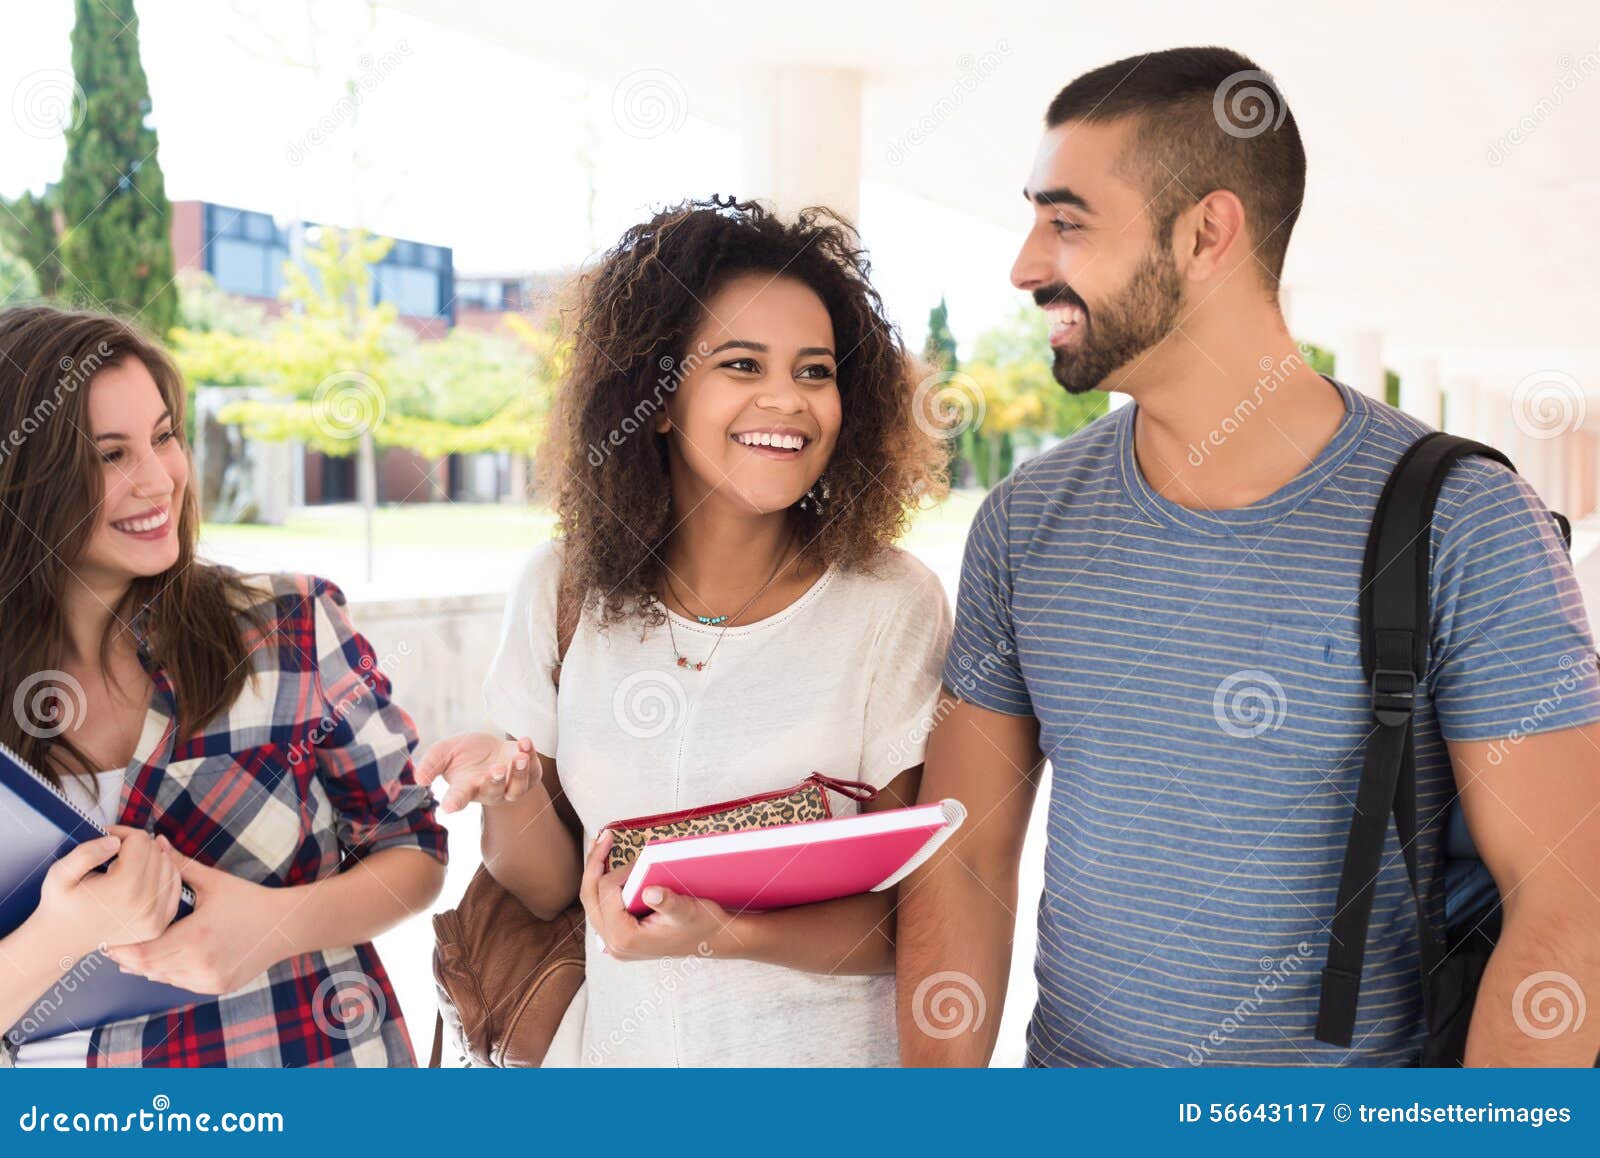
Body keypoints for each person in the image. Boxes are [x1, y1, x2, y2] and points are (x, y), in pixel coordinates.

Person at [897, 46, 1600, 1067]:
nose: (1024, 265)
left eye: (1066, 222)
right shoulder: (1025, 520)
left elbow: (1567, 906)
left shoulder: (1466, 522)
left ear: (1206, 234)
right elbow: (964, 856)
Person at [417, 198, 951, 1066]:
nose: (787, 399)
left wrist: (722, 934)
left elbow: (917, 919)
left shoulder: (891, 604)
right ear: (657, 399)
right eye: (742, 364)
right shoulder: (562, 592)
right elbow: (547, 888)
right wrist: (509, 793)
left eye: (815, 372)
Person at [0, 305, 447, 1067]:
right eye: (110, 455)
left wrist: (274, 926)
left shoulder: (288, 625)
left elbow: (414, 847)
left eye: (163, 436)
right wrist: (62, 934)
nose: (159, 480)